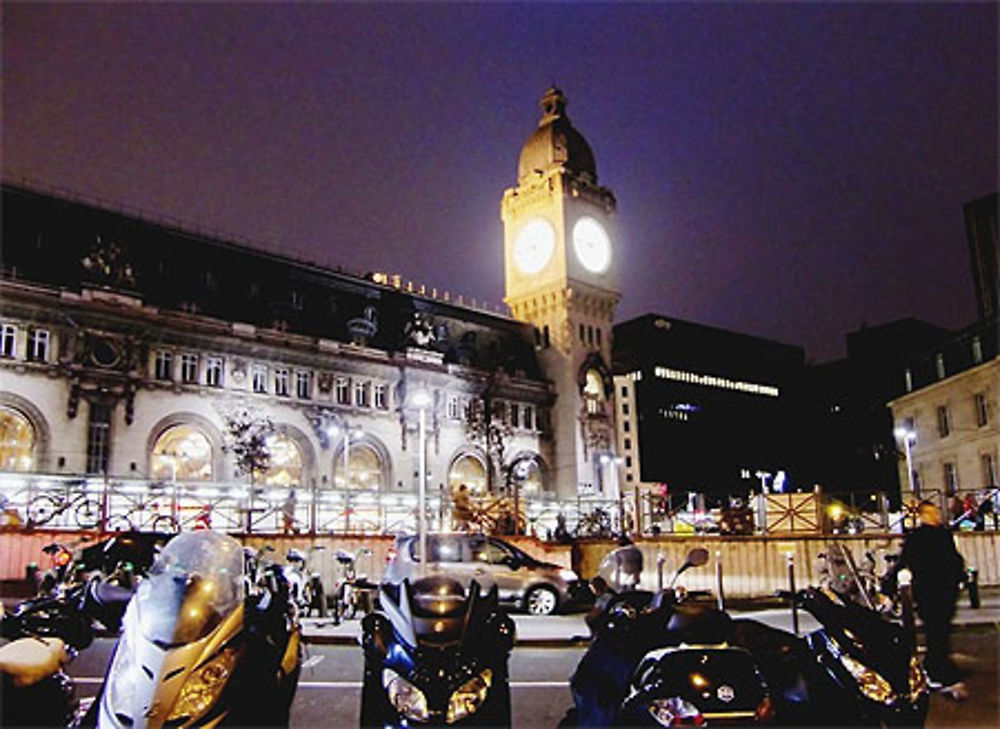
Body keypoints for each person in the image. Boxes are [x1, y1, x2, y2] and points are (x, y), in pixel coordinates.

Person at [895, 503, 967, 699]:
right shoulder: (939, 535)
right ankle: (937, 669)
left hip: (930, 591)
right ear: (924, 515)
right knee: (938, 632)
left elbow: (903, 562)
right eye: (934, 512)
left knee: (937, 631)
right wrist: (960, 577)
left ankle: (936, 666)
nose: (938, 515)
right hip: (939, 591)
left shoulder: (918, 537)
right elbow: (954, 560)